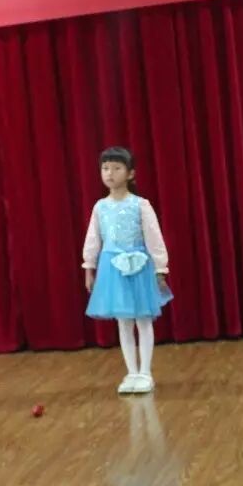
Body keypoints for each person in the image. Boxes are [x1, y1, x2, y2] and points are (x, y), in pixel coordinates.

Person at [82, 146, 172, 394]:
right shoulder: (100, 207)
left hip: (139, 267)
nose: (110, 173)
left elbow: (154, 236)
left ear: (130, 173)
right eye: (105, 168)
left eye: (116, 168)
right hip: (112, 269)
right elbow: (93, 239)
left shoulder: (140, 205)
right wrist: (89, 268)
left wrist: (160, 268)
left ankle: (146, 372)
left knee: (143, 319)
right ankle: (131, 372)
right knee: (123, 322)